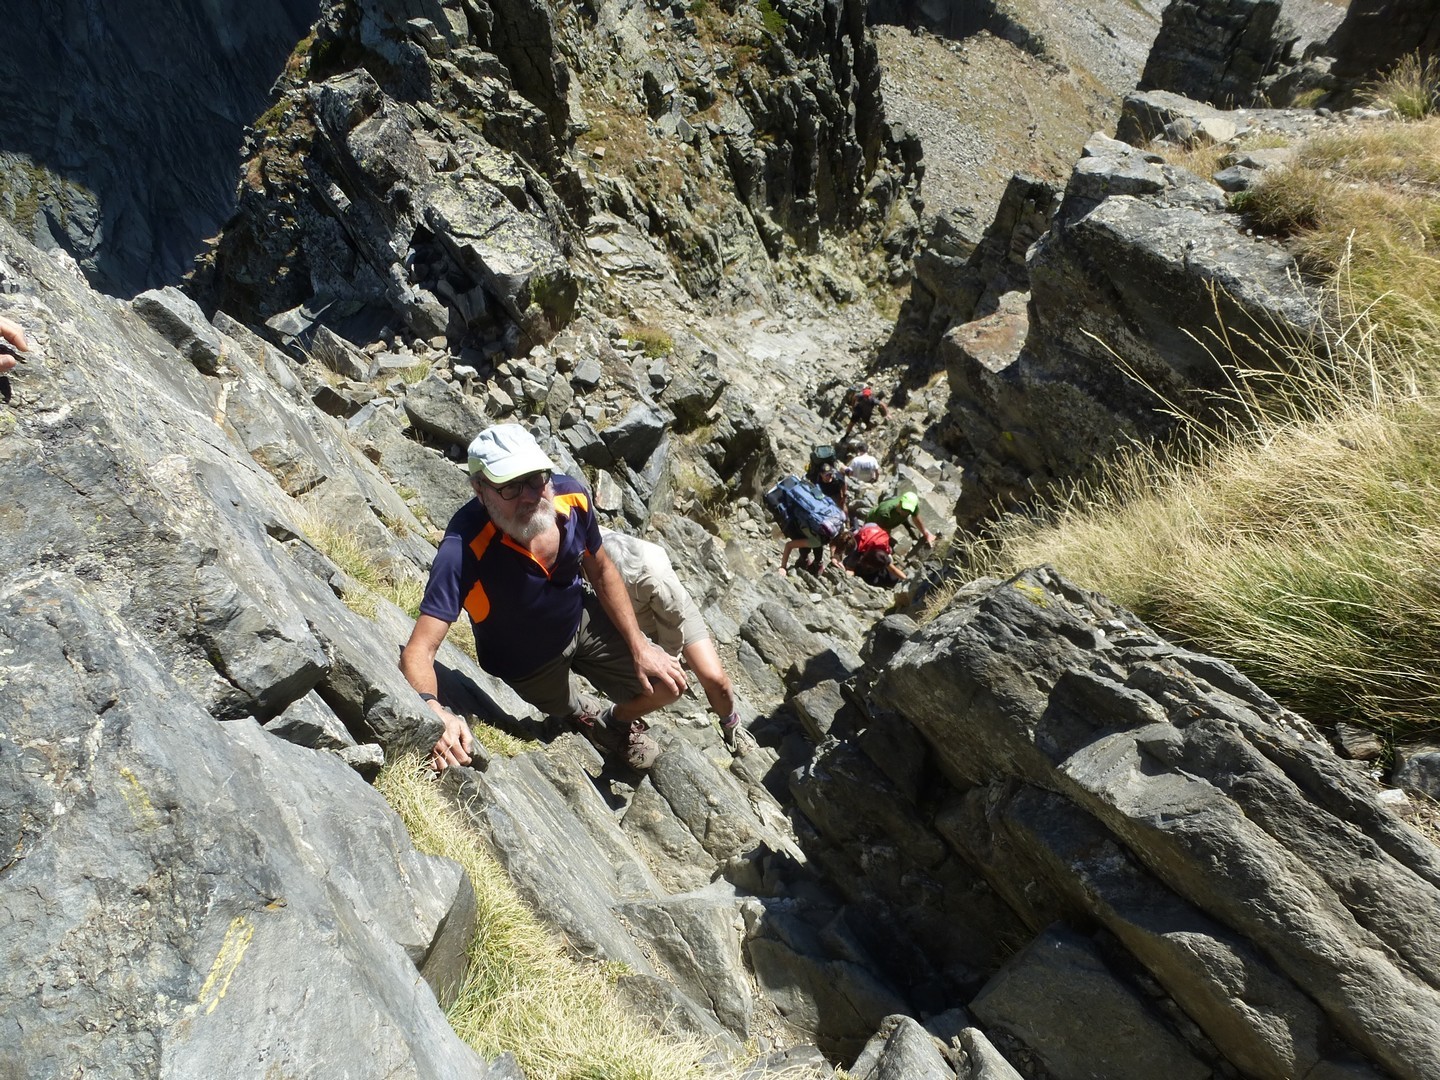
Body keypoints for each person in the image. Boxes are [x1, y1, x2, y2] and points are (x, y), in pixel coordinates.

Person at [400, 423, 687, 772]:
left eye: (537, 478)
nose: (531, 495)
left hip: (580, 620)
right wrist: (432, 708)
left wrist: (640, 645)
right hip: (527, 663)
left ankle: (612, 722)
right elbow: (420, 649)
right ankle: (581, 712)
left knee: (668, 685)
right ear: (479, 488)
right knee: (568, 707)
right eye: (511, 487)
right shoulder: (463, 550)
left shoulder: (572, 498)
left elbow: (602, 571)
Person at [601, 529, 757, 756]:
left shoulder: (657, 577)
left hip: (668, 617)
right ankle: (617, 717)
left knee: (714, 681)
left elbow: (672, 633)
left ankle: (731, 724)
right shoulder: (589, 540)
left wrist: (665, 660)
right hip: (621, 619)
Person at [865, 490, 935, 549]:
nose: (906, 512)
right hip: (873, 523)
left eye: (909, 511)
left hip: (889, 523)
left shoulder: (913, 506)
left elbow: (916, 519)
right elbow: (881, 529)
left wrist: (926, 534)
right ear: (900, 503)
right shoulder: (885, 510)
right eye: (904, 509)